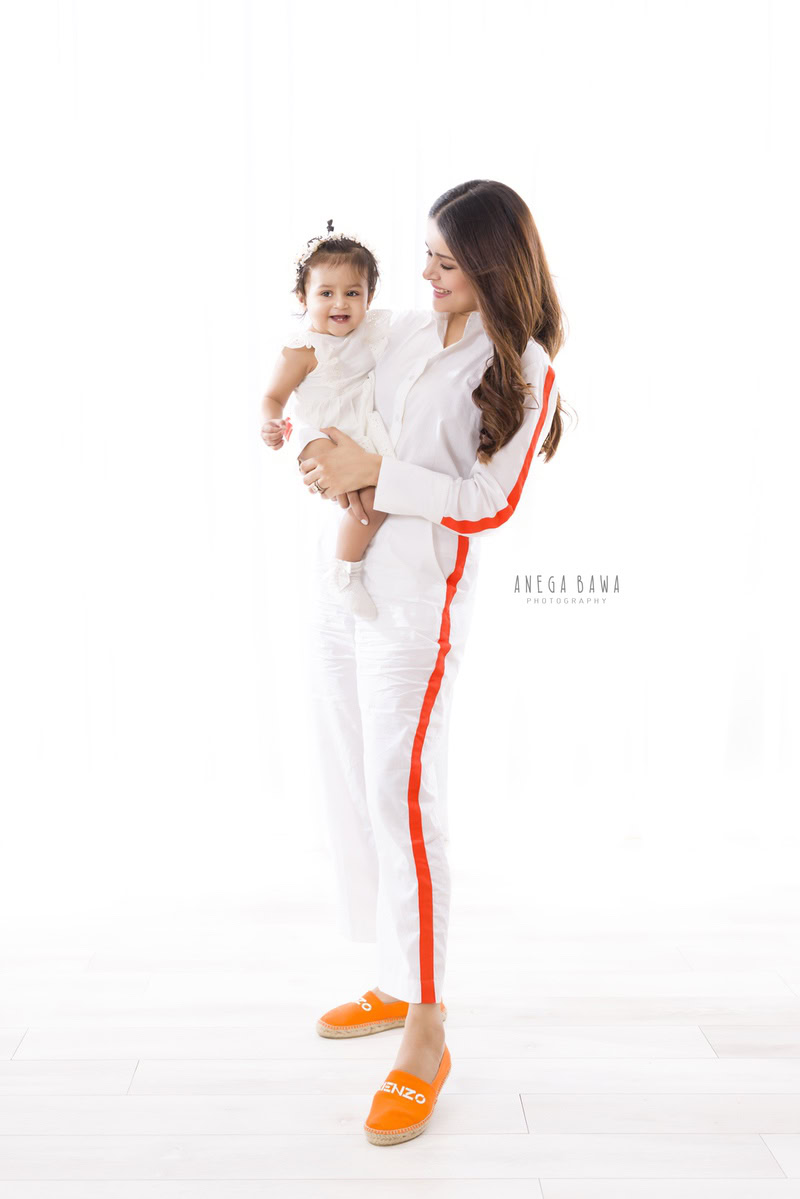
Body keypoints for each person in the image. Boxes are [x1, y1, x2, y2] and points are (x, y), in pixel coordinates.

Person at [293, 179, 566, 1145]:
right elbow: (329, 343)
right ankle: (391, 970)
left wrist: (375, 474)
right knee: (349, 781)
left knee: (404, 800)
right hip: (348, 590)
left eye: (446, 260)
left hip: (418, 610)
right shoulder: (413, 326)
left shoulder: (524, 365)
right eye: (427, 255)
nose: (425, 274)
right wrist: (309, 437)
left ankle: (428, 1022)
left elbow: (491, 498)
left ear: (492, 261)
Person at [260, 222, 394, 619]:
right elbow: (272, 397)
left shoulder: (373, 332)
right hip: (319, 434)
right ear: (303, 297)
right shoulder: (302, 348)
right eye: (326, 293)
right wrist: (271, 423)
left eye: (353, 293)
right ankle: (344, 572)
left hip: (363, 429)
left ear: (369, 298)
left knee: (376, 498)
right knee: (345, 491)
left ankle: (345, 564)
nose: (341, 303)